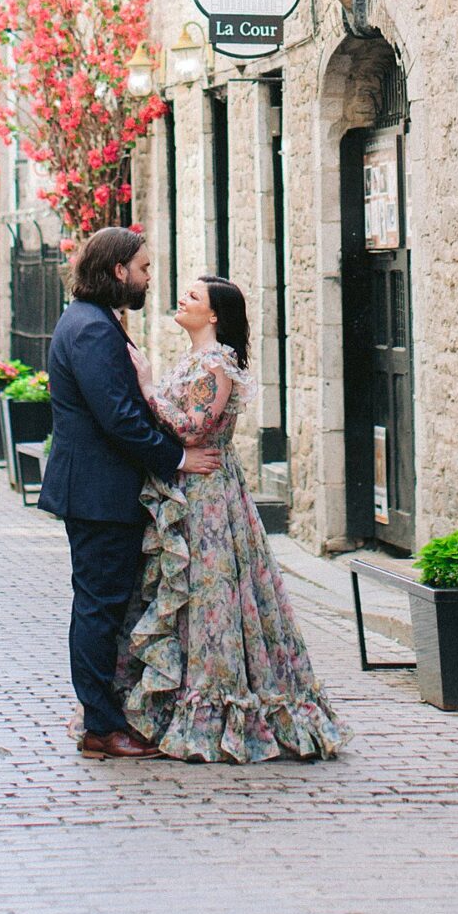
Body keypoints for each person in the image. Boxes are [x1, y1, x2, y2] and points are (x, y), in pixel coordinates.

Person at [120, 274, 345, 763]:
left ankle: (218, 711)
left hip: (208, 500)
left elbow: (193, 429)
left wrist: (144, 386)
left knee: (211, 596)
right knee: (192, 597)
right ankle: (174, 701)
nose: (183, 299)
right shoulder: (199, 360)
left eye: (194, 297)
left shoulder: (218, 363)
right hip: (190, 490)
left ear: (215, 315)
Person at [38, 226, 221, 759]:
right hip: (98, 492)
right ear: (118, 271)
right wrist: (179, 456)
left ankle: (106, 716)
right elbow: (118, 418)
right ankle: (100, 725)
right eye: (142, 268)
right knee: (98, 606)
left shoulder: (94, 321)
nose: (147, 278)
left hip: (101, 489)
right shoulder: (92, 328)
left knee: (104, 604)